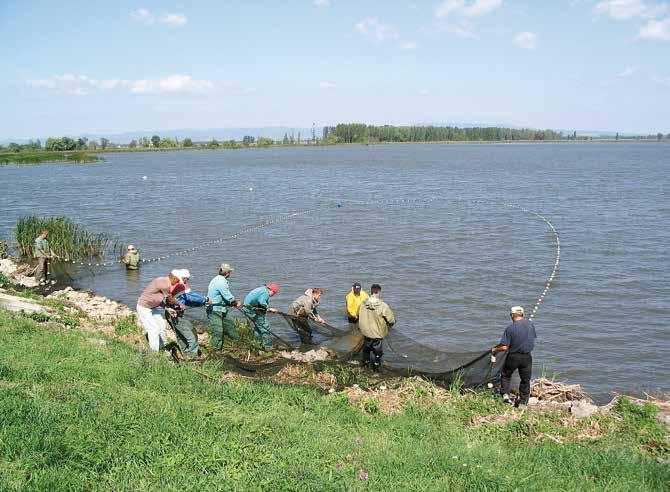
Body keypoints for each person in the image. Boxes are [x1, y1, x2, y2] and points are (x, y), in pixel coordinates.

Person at [492, 306, 537, 409]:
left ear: (512, 316)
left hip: (513, 356)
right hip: (527, 357)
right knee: (525, 380)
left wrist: (494, 350)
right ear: (523, 315)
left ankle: (505, 395)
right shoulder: (530, 325)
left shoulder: (510, 328)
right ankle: (522, 402)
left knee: (506, 375)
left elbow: (504, 347)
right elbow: (530, 339)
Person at [136, 270, 184, 352]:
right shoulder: (165, 284)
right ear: (174, 278)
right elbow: (170, 300)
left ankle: (162, 347)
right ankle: (154, 353)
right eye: (178, 280)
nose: (177, 283)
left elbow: (157, 299)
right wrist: (180, 304)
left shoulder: (164, 282)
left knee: (161, 326)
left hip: (153, 307)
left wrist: (167, 308)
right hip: (144, 308)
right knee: (154, 329)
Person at [167, 269, 209, 360]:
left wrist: (200, 303)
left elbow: (186, 300)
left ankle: (186, 353)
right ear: (184, 278)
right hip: (174, 314)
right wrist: (206, 299)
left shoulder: (176, 285)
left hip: (172, 314)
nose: (188, 280)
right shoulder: (181, 286)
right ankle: (192, 357)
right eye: (187, 279)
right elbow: (192, 297)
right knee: (191, 336)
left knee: (182, 334)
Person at [357, 284, 396, 372]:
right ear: (378, 292)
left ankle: (365, 364)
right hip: (377, 334)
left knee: (366, 349)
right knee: (378, 352)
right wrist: (391, 323)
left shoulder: (363, 304)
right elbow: (391, 320)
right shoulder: (383, 305)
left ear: (371, 292)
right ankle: (376, 367)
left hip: (365, 332)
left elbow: (357, 315)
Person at [206, 263, 242, 351]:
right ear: (227, 272)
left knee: (231, 327)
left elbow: (222, 296)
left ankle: (239, 345)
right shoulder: (221, 281)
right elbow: (227, 295)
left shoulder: (217, 279)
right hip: (214, 309)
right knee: (218, 331)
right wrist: (235, 302)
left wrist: (230, 303)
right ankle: (215, 351)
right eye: (230, 272)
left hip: (222, 308)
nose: (230, 274)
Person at [242, 284, 280, 350]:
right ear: (271, 290)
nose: (273, 295)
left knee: (258, 327)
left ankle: (257, 345)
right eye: (273, 293)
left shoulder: (262, 289)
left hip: (248, 308)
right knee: (265, 328)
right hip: (251, 310)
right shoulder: (265, 293)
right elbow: (262, 302)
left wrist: (266, 309)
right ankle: (268, 348)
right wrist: (269, 308)